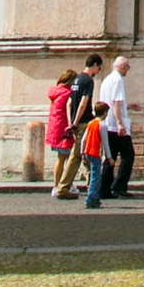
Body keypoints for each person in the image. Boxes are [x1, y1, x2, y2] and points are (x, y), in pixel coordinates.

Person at [97, 52, 135, 200]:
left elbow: (112, 102)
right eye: (128, 67)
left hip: (108, 123)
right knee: (128, 156)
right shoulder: (118, 80)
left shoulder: (107, 79)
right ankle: (119, 186)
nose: (128, 70)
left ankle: (104, 189)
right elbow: (116, 103)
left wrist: (129, 106)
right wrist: (120, 123)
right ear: (123, 67)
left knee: (110, 157)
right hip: (116, 125)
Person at [65, 55, 102, 198]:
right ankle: (64, 186)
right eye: (99, 67)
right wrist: (75, 123)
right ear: (94, 65)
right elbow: (83, 103)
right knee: (82, 154)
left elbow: (69, 103)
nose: (98, 70)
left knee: (83, 154)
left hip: (75, 122)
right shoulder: (88, 80)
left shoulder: (76, 79)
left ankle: (91, 185)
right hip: (83, 122)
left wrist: (71, 122)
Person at [47, 70, 78, 199]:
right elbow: (69, 112)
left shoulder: (55, 92)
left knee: (62, 158)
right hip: (64, 129)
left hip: (55, 129)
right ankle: (59, 185)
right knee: (64, 158)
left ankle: (61, 183)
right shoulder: (67, 94)